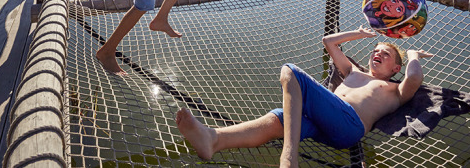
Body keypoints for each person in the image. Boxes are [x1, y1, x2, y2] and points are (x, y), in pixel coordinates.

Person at [176, 26, 433, 167]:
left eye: (386, 54)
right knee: (279, 119)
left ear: (395, 69)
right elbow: (329, 42)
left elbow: (414, 79)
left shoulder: (394, 90)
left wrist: (412, 55)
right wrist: (359, 34)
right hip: (324, 124)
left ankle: (289, 157)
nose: (378, 53)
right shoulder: (353, 71)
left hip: (350, 126)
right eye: (376, 50)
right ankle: (213, 140)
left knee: (290, 71)